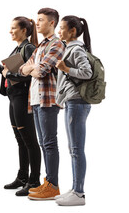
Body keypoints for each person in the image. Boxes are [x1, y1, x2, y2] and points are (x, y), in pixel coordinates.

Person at [0, 16, 42, 196]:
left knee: (29, 140)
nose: (10, 31)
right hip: (14, 97)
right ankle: (22, 177)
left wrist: (7, 71)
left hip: (23, 98)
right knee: (20, 139)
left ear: (24, 30)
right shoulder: (18, 48)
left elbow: (30, 74)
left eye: (13, 28)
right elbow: (11, 72)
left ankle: (34, 180)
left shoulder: (29, 48)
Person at [19, 8, 65, 200]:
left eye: (41, 20)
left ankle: (53, 185)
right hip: (35, 101)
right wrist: (31, 68)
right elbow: (22, 69)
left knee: (49, 142)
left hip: (48, 100)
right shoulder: (38, 47)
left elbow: (42, 70)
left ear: (52, 23)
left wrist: (33, 68)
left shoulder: (57, 44)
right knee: (43, 143)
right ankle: (48, 182)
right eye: (37, 20)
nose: (36, 24)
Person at [54, 15, 93, 206]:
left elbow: (87, 73)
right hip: (72, 102)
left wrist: (66, 69)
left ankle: (79, 193)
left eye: (62, 28)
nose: (58, 31)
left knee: (77, 149)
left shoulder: (76, 49)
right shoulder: (68, 48)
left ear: (73, 31)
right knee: (73, 149)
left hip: (77, 103)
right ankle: (75, 189)